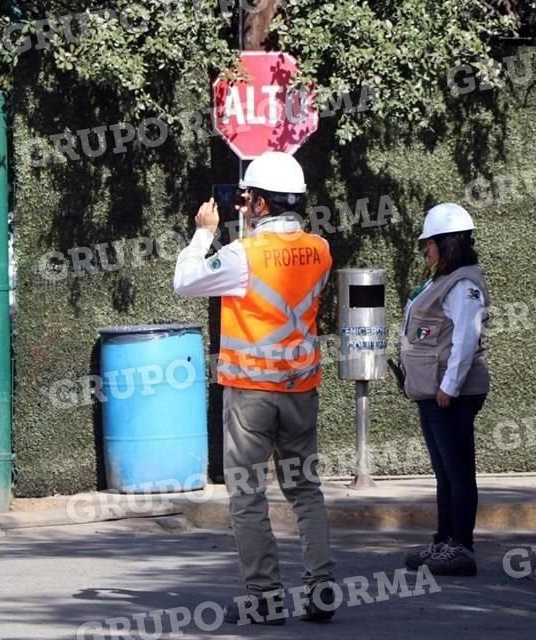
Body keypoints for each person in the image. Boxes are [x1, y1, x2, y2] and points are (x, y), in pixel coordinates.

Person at [173, 151, 337, 624]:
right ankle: (321, 587)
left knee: (247, 495)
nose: (242, 206)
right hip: (301, 387)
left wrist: (205, 231)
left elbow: (185, 281)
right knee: (305, 489)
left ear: (262, 204)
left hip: (249, 392)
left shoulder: (241, 255)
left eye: (247, 199)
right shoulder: (321, 250)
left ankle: (266, 597)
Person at [399, 202, 489, 576]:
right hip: (433, 391)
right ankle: (444, 541)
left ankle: (460, 546)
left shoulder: (464, 284)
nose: (426, 250)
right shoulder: (442, 279)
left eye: (430, 243)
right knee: (443, 472)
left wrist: (449, 387)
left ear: (447, 243)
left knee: (457, 471)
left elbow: (466, 339)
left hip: (451, 394)